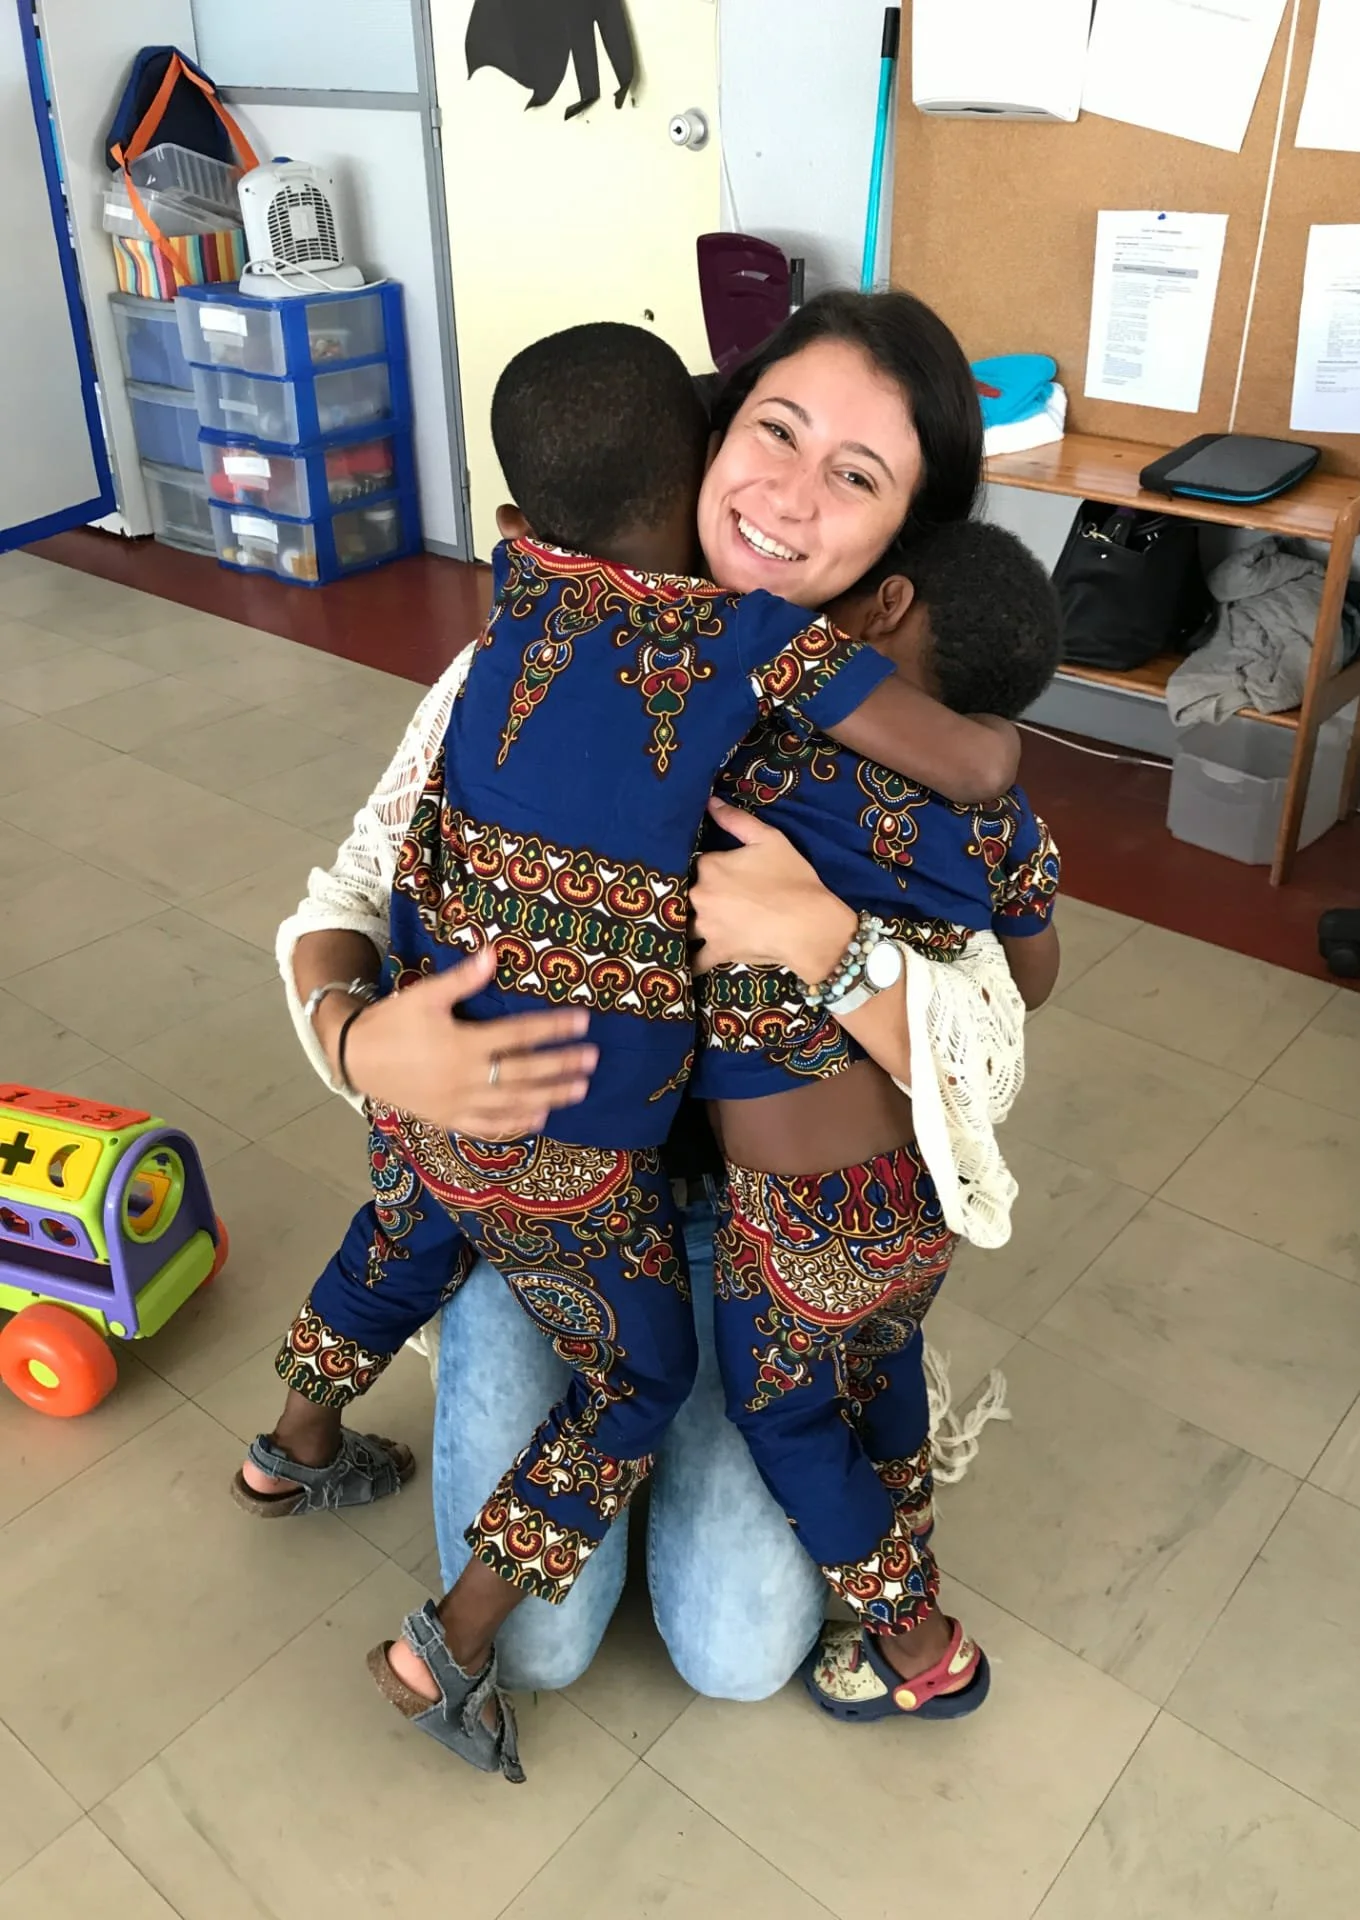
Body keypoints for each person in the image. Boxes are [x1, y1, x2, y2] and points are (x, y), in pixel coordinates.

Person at [270, 290, 1017, 1723]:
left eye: (856, 476)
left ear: (902, 550)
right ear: (702, 431)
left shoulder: (883, 719)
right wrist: (359, 1035)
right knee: (547, 1646)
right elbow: (343, 894)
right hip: (545, 1203)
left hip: (763, 1237)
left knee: (731, 1654)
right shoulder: (521, 652)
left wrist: (830, 945)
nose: (792, 496)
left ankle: (652, 1459)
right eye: (772, 430)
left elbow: (991, 1043)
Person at [692, 514, 1062, 1722]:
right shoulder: (999, 806)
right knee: (886, 1354)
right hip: (925, 1184)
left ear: (884, 604)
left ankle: (915, 1640)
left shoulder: (764, 747)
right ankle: (907, 1537)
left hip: (795, 1219)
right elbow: (1035, 975)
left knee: (786, 1413)